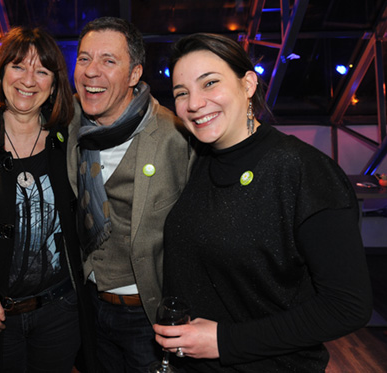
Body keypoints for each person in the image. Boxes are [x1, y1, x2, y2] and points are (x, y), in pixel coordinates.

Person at [0, 17, 194, 371]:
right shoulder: (60, 123)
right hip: (79, 310)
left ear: (134, 74)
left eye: (108, 61)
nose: (91, 72)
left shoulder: (173, 136)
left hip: (136, 315)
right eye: (84, 59)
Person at [154, 32, 373, 372]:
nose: (194, 103)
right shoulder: (200, 160)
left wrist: (226, 341)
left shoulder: (302, 169)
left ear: (248, 84)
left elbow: (348, 305)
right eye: (182, 93)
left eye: (210, 83)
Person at [0, 26, 94, 372]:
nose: (29, 80)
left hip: (59, 314)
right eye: (18, 66)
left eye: (42, 70)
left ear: (55, 84)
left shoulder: (69, 137)